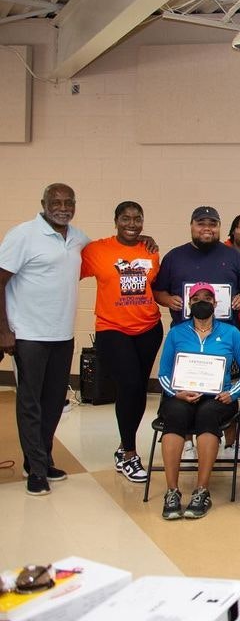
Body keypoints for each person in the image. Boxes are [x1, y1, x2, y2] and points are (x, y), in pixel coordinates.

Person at [0, 183, 89, 495]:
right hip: (28, 335)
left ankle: (40, 458)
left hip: (62, 334)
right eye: (56, 201)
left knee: (53, 403)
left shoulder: (77, 238)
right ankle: (36, 469)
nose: (62, 207)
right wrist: (4, 330)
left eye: (68, 202)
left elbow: (107, 253)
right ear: (43, 203)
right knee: (30, 402)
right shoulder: (22, 235)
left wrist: (141, 241)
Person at [156, 284, 240, 520]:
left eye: (207, 298)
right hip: (182, 395)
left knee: (207, 415)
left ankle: (201, 490)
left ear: (215, 304)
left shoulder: (231, 333)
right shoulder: (176, 333)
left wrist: (233, 393)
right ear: (189, 304)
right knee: (174, 415)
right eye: (196, 298)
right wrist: (176, 392)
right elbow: (163, 373)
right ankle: (171, 491)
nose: (202, 301)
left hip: (218, 397)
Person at [80, 201, 163, 483]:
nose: (132, 223)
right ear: (115, 220)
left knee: (138, 389)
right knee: (128, 385)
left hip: (149, 328)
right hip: (112, 329)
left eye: (137, 218)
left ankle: (122, 446)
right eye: (125, 218)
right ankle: (129, 454)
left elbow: (152, 286)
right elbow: (66, 272)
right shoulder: (96, 250)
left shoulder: (150, 250)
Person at [152, 206, 240, 327]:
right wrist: (168, 300)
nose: (207, 228)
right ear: (191, 226)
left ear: (219, 227)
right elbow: (157, 291)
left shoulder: (234, 256)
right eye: (200, 224)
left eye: (213, 224)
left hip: (225, 333)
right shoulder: (173, 257)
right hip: (184, 332)